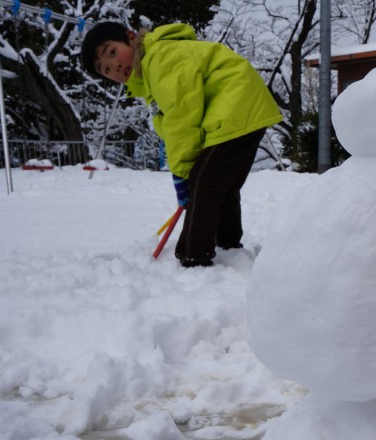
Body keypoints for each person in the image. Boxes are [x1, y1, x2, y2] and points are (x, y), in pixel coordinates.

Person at [79, 22, 282, 267]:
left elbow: (182, 119)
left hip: (235, 106)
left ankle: (194, 256)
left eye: (112, 52)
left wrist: (183, 174)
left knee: (203, 182)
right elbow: (173, 121)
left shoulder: (160, 59)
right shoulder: (152, 70)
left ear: (130, 37)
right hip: (242, 107)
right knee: (220, 184)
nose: (115, 66)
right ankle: (227, 244)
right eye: (106, 69)